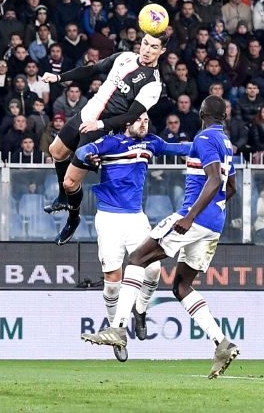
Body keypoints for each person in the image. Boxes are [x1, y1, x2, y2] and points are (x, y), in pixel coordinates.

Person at [81, 96, 239, 379]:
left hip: (192, 218)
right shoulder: (225, 143)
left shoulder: (204, 138)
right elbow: (232, 188)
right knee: (181, 287)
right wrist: (213, 210)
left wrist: (190, 217)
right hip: (215, 223)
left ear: (201, 112)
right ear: (224, 117)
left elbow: (215, 179)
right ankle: (222, 343)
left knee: (137, 258)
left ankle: (118, 328)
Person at [74, 112, 191, 362]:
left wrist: (208, 145)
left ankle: (140, 309)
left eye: (147, 120)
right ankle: (115, 331)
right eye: (139, 120)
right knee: (112, 281)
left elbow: (179, 148)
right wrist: (88, 157)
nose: (144, 124)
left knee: (154, 269)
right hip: (109, 219)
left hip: (136, 217)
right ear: (127, 122)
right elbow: (83, 151)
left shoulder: (151, 142)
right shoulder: (111, 142)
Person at [41, 32, 167, 245]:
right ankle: (63, 197)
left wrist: (98, 125)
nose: (147, 49)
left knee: (70, 182)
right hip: (87, 113)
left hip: (102, 128)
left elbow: (129, 116)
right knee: (56, 151)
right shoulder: (125, 57)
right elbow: (92, 69)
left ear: (162, 51)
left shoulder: (153, 84)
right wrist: (59, 77)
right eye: (145, 43)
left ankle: (73, 219)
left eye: (154, 47)